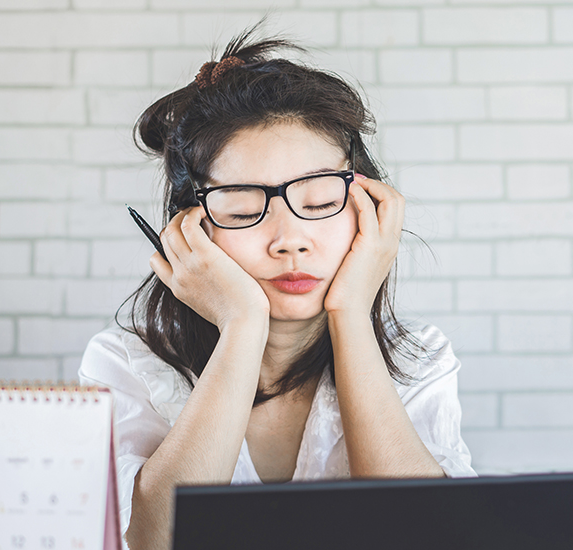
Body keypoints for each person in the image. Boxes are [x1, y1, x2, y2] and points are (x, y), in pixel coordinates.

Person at [78, 27, 475, 550]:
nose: (290, 241)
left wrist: (351, 313)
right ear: (188, 230)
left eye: (320, 202)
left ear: (371, 210)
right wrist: (242, 324)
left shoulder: (419, 359)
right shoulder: (125, 364)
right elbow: (152, 541)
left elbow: (431, 536)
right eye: (244, 208)